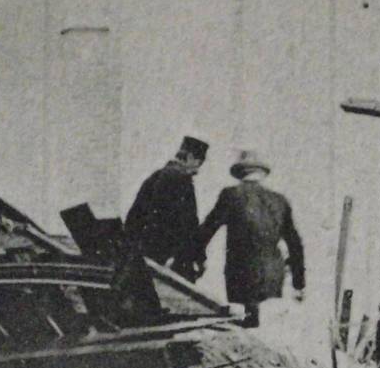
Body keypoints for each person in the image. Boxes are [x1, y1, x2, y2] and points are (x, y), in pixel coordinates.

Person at [194, 150, 304, 328]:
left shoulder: (231, 195)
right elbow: (295, 243)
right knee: (265, 326)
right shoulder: (279, 201)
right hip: (273, 276)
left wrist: (196, 258)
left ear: (240, 173)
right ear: (262, 173)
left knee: (246, 324)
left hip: (242, 274)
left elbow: (207, 230)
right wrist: (299, 283)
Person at [124, 135, 208, 281]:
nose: (197, 170)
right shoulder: (182, 181)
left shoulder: (156, 176)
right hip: (162, 258)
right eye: (198, 163)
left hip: (141, 252)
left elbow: (134, 217)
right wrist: (199, 258)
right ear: (191, 158)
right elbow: (188, 225)